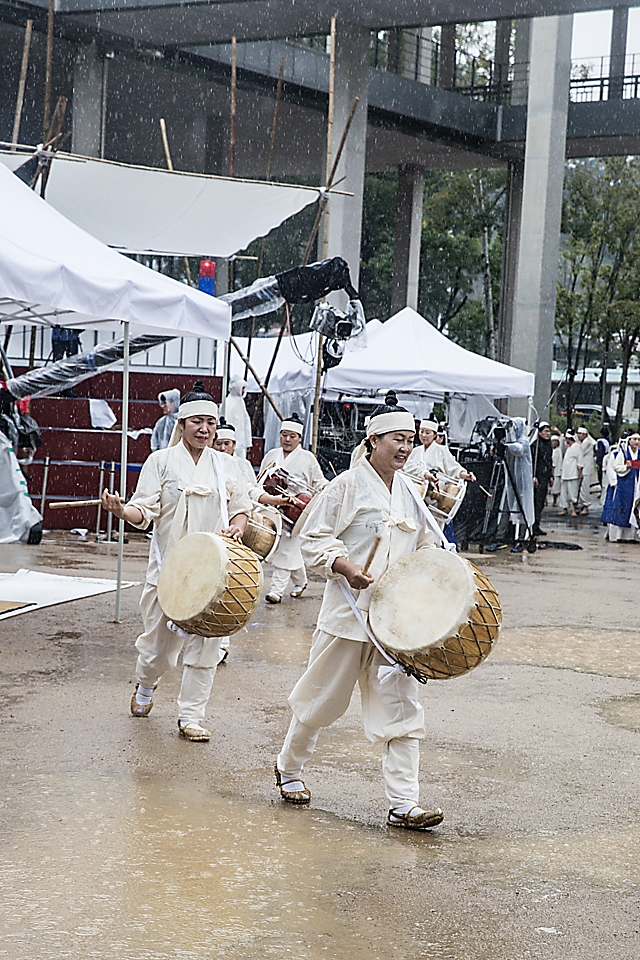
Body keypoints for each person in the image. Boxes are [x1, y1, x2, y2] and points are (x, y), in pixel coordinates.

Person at [274, 392, 444, 831]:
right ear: (372, 440)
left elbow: (427, 545)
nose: (405, 448)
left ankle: (404, 803)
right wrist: (344, 565)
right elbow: (312, 538)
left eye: (410, 439)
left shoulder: (411, 491)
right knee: (320, 700)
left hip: (394, 625)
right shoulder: (346, 485)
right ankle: (289, 768)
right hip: (348, 617)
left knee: (403, 711)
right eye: (397, 439)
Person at [101, 381, 251, 742]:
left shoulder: (226, 465)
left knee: (206, 647)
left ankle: (191, 716)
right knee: (158, 650)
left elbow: (243, 509)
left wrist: (236, 527)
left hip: (215, 572)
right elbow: (145, 510)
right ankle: (146, 684)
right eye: (196, 422)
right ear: (180, 424)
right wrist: (123, 510)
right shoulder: (161, 461)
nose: (205, 430)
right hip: (168, 569)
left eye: (210, 423)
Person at [256, 413, 328, 604]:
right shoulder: (272, 455)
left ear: (299, 438)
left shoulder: (308, 458)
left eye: (292, 436)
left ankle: (276, 591)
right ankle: (301, 581)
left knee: (287, 548)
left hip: (298, 510)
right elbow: (261, 480)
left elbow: (318, 480)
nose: (287, 439)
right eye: (284, 435)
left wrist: (325, 488)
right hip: (274, 507)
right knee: (287, 549)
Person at [404, 418, 476, 484]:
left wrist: (465, 475)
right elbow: (407, 467)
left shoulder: (442, 451)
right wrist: (424, 473)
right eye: (421, 431)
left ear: (435, 435)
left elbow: (453, 468)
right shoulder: (415, 451)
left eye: (427, 433)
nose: (423, 435)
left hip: (437, 491)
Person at [605, 433, 640, 542]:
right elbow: (616, 467)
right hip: (624, 485)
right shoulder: (623, 453)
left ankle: (632, 536)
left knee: (633, 508)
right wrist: (626, 467)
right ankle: (618, 536)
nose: (637, 442)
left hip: (636, 485)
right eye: (634, 439)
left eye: (639, 440)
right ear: (629, 440)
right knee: (621, 508)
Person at [213, 417, 256, 488]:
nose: (222, 448)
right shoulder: (209, 463)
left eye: (227, 444)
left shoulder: (243, 464)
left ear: (234, 444)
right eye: (218, 444)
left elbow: (253, 488)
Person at [530, 421, 553, 536]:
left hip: (545, 476)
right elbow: (533, 462)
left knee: (541, 502)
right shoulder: (535, 445)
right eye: (545, 431)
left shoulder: (548, 445)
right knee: (536, 501)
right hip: (538, 477)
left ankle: (537, 524)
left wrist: (551, 476)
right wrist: (534, 476)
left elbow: (549, 461)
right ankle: (532, 525)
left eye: (549, 431)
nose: (547, 434)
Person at [224, 375, 253, 460]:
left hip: (241, 442)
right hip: (233, 442)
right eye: (242, 388)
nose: (244, 391)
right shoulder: (228, 403)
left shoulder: (240, 402)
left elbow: (246, 423)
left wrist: (248, 443)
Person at [558, 430, 583, 518]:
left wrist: (580, 472)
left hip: (573, 474)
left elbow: (580, 461)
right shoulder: (569, 448)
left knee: (573, 492)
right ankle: (564, 508)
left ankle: (573, 509)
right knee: (564, 493)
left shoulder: (577, 447)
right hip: (565, 473)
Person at [576, 426, 596, 514]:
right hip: (581, 467)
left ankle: (585, 506)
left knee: (585, 488)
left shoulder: (587, 442)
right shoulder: (582, 442)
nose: (579, 435)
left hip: (586, 468)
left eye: (581, 434)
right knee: (580, 488)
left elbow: (580, 451)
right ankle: (580, 505)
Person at [550, 435, 563, 507]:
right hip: (552, 472)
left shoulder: (558, 450)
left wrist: (552, 472)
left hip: (557, 472)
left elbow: (553, 464)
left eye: (556, 441)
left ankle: (555, 501)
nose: (554, 443)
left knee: (555, 488)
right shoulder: (552, 450)